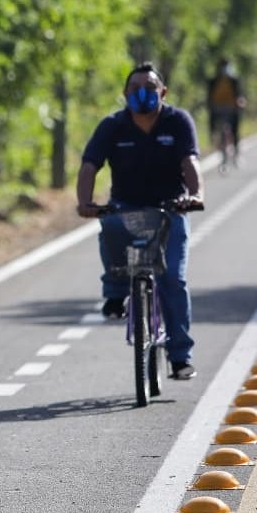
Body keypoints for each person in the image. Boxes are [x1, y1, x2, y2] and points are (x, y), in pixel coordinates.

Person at [75, 62, 205, 380]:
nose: (141, 93)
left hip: (170, 210)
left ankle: (180, 357)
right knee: (109, 228)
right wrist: (85, 203)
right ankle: (115, 292)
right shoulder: (113, 126)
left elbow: (189, 161)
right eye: (134, 88)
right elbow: (89, 165)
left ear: (163, 92)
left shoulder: (178, 121)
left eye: (149, 87)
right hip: (126, 209)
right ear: (124, 93)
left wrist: (195, 195)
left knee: (172, 279)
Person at [205, 57, 245, 165]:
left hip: (232, 108)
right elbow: (209, 96)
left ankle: (236, 153)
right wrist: (210, 106)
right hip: (218, 109)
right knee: (220, 130)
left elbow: (239, 94)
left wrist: (240, 102)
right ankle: (223, 154)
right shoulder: (213, 81)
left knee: (235, 130)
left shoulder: (234, 80)